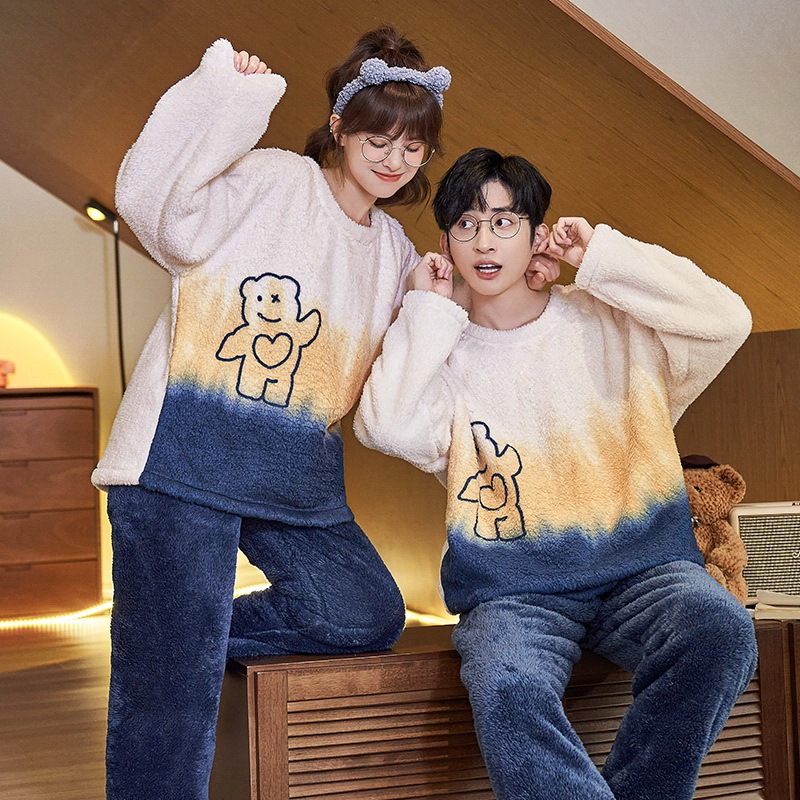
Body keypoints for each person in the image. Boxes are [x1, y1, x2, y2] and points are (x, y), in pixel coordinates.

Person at [92, 28, 450, 800]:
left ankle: (177, 636)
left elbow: (385, 410)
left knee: (364, 613)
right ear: (339, 128)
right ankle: (172, 643)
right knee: (167, 707)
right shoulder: (272, 178)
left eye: (412, 147)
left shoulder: (394, 251)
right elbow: (157, 210)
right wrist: (225, 98)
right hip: (181, 463)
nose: (394, 159)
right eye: (378, 139)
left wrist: (427, 307)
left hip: (294, 484)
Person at [354, 147, 757, 800]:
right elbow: (384, 426)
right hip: (515, 592)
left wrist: (599, 257)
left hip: (646, 571)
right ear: (447, 243)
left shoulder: (609, 321)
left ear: (536, 234)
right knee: (506, 681)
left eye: (504, 222)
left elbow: (727, 321)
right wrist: (427, 310)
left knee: (721, 631)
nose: (485, 241)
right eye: (466, 224)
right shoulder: (444, 351)